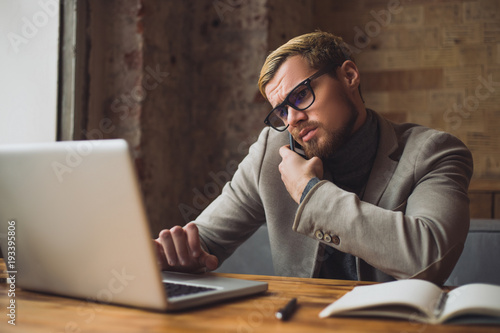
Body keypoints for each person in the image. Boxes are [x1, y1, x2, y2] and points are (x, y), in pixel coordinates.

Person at [154, 31, 473, 284]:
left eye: (301, 95)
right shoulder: (273, 150)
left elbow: (429, 257)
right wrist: (177, 255)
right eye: (281, 110)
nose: (291, 119)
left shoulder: (435, 152)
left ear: (349, 76)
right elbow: (206, 238)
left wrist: (310, 193)